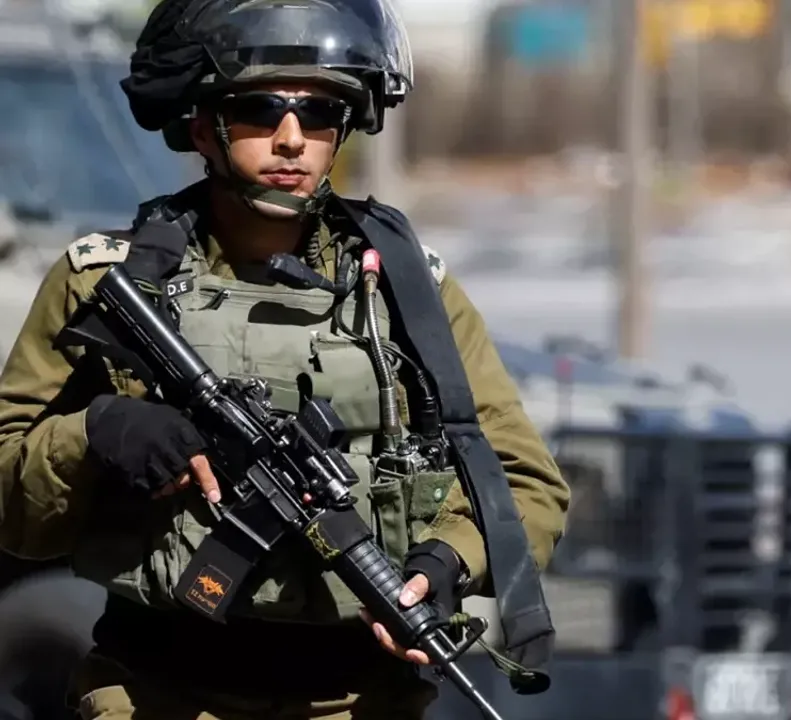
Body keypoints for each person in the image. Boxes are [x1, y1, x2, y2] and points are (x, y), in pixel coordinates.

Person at [0, 0, 570, 717]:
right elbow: (9, 501)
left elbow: (523, 482)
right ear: (202, 127)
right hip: (154, 694)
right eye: (259, 110)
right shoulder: (103, 282)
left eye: (320, 113)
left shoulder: (406, 290)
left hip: (358, 700)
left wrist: (448, 559)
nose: (292, 139)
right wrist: (96, 434)